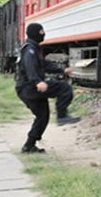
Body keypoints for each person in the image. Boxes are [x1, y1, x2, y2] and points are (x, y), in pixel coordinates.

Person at [14, 22, 81, 153]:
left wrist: (62, 70)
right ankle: (62, 115)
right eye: (41, 31)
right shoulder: (30, 49)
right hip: (30, 87)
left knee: (42, 116)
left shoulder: (33, 48)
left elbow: (44, 65)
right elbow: (30, 67)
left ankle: (29, 146)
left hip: (25, 88)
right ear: (36, 32)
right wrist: (38, 81)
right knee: (64, 88)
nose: (43, 34)